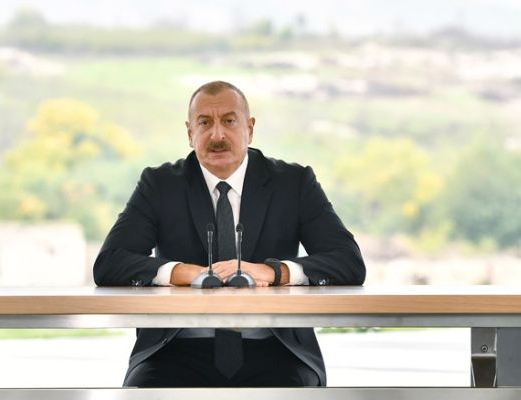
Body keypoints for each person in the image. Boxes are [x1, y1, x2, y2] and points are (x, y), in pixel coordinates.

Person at [93, 80, 366, 387]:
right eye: (204, 123)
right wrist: (186, 273)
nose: (217, 135)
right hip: (175, 349)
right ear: (190, 133)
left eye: (229, 121)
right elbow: (110, 262)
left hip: (276, 349)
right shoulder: (159, 184)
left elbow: (348, 261)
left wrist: (274, 272)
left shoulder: (293, 182)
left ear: (250, 128)